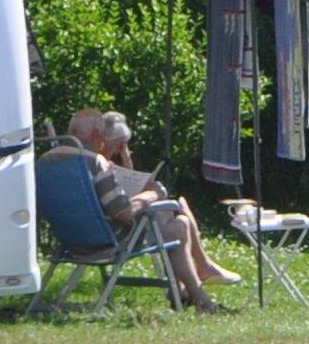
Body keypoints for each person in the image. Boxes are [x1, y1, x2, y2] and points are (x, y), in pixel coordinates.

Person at [67, 108, 242, 308]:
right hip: (110, 238)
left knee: (179, 220)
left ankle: (188, 292)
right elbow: (123, 213)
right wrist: (152, 194)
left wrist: (127, 165)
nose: (118, 150)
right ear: (99, 136)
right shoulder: (97, 164)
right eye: (117, 146)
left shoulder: (62, 164)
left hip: (74, 238)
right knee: (178, 224)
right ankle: (195, 292)